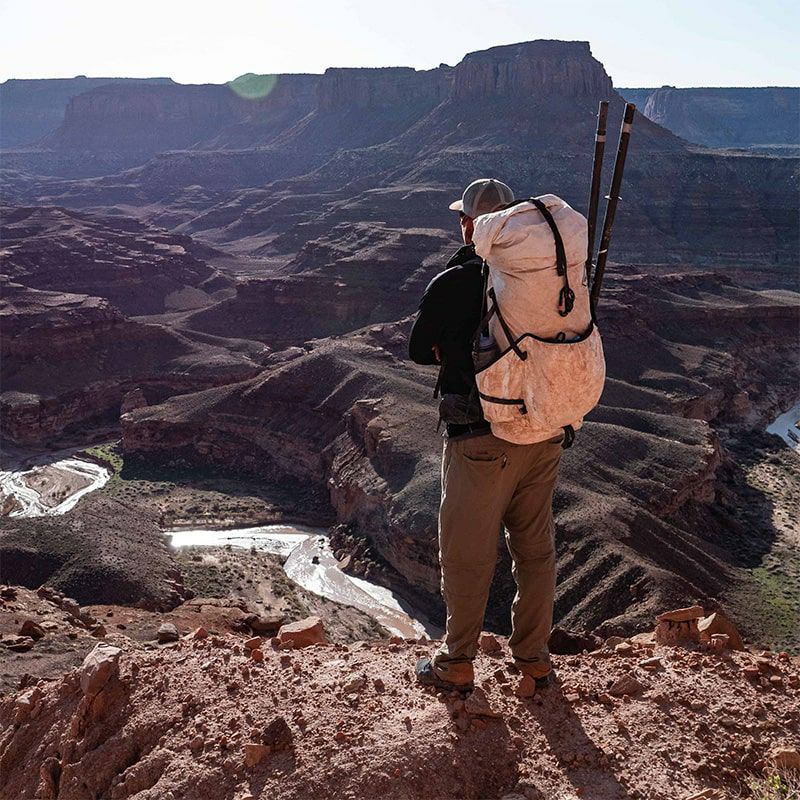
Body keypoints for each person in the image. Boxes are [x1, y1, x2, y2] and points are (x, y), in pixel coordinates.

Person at [408, 178, 564, 691]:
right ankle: (534, 659)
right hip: (543, 431)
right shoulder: (547, 275)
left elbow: (417, 348)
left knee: (467, 554)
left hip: (481, 438)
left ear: (468, 225)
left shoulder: (457, 280)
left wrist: (451, 347)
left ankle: (456, 662)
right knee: (535, 550)